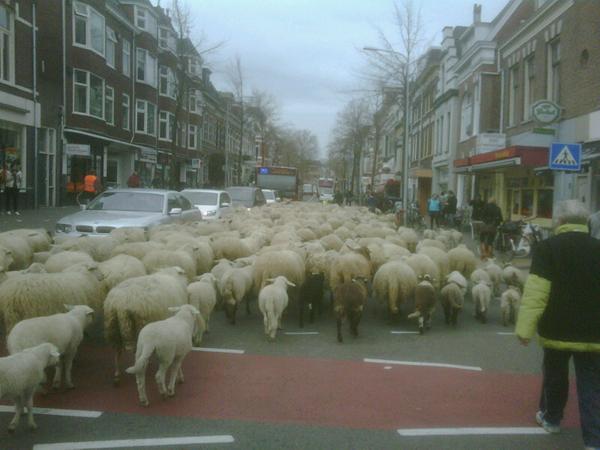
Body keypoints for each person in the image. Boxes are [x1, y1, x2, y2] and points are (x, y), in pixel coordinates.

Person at [516, 200, 600, 449]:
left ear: (560, 222)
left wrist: (525, 329)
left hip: (556, 328)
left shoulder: (547, 248)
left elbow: (536, 292)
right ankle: (594, 440)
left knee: (555, 377)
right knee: (591, 384)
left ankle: (552, 419)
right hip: (594, 331)